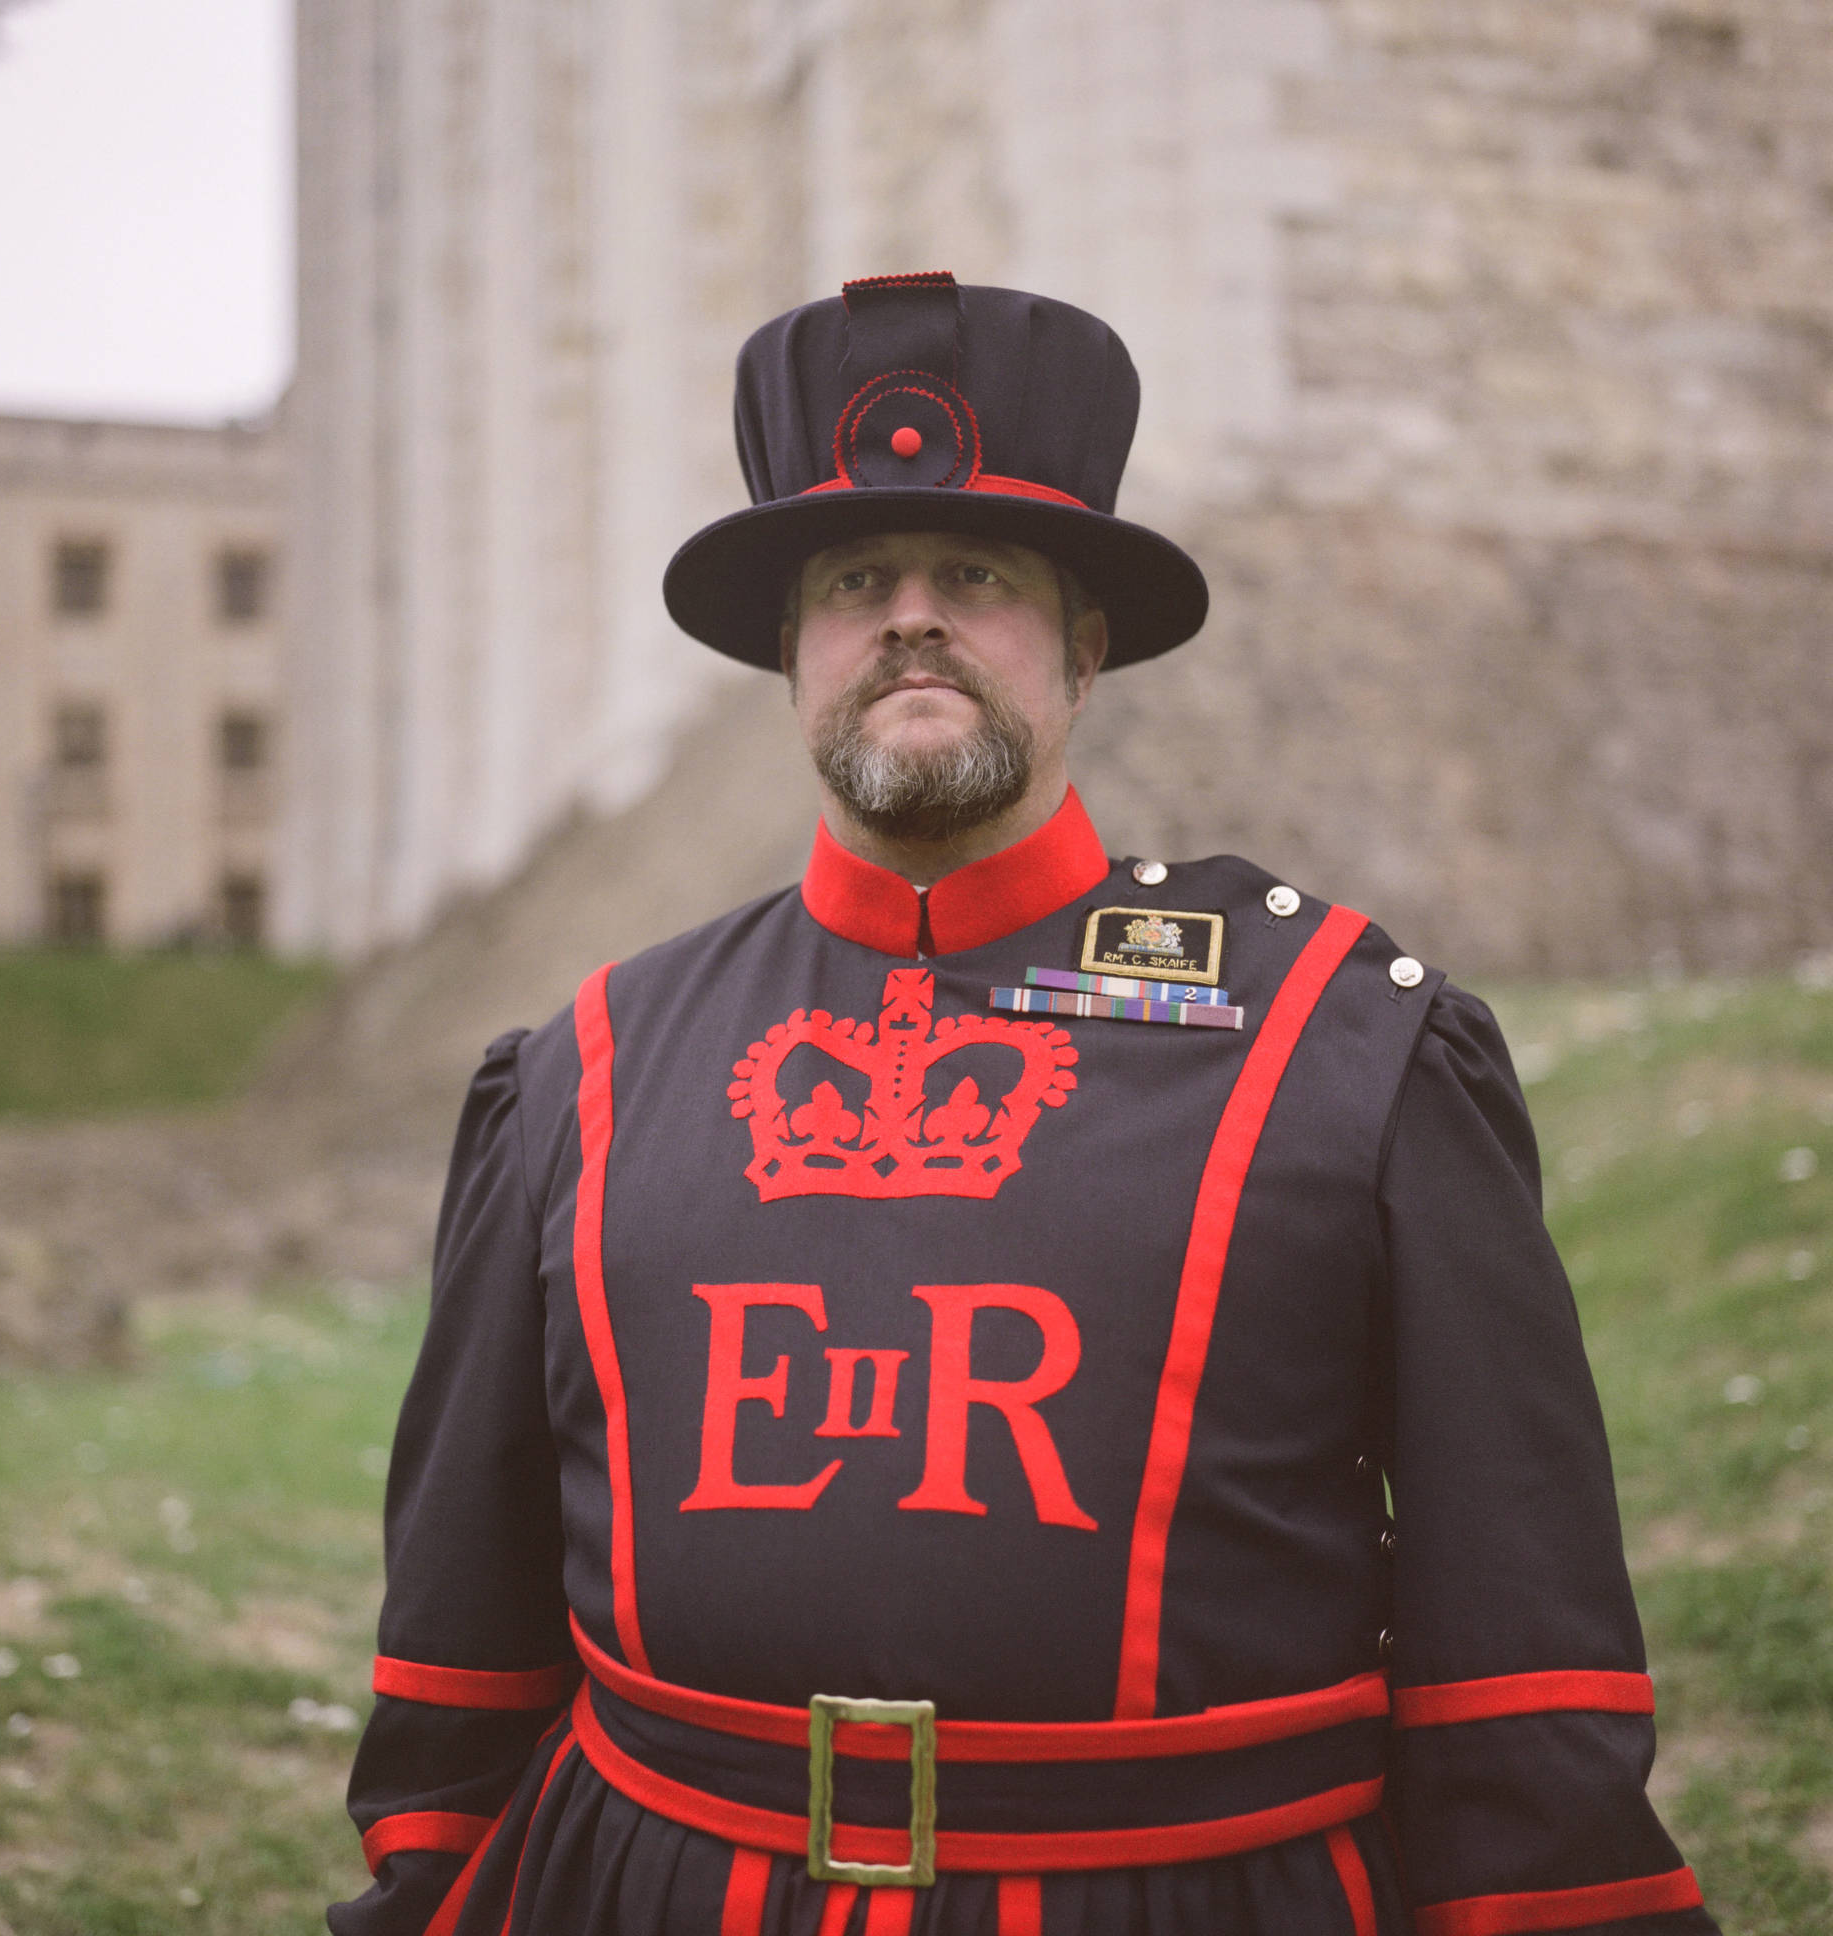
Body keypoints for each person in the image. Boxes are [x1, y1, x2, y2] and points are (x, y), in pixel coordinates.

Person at [330, 274, 1715, 1936]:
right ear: (791, 654)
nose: (911, 617)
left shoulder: (1348, 1050)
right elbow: (461, 1642)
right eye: (856, 582)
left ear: (1084, 645)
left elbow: (1523, 1646)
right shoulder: (585, 1070)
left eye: (975, 574)